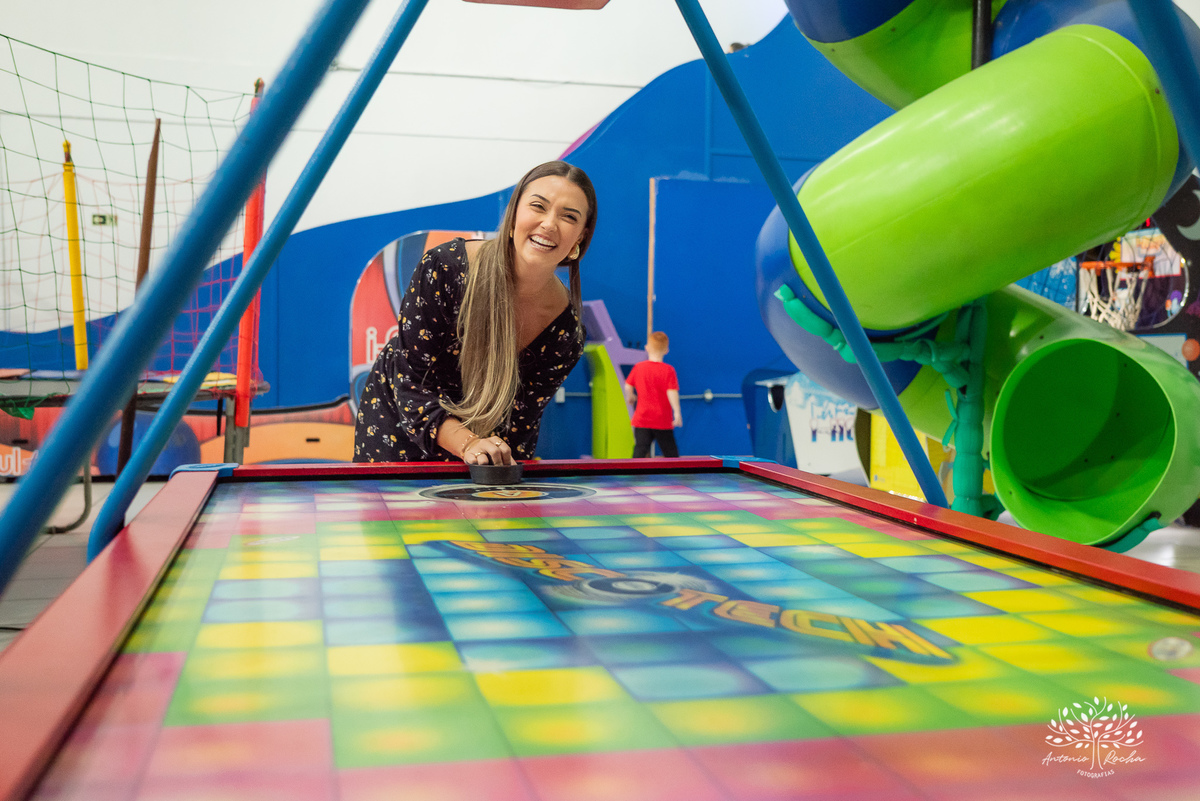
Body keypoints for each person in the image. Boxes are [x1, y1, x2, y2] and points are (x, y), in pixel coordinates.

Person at [353, 161, 597, 465]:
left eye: (568, 216)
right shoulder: (445, 269)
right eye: (538, 206)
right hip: (399, 431)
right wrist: (468, 443)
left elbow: (520, 423)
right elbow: (412, 382)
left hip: (481, 451)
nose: (549, 224)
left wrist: (494, 463)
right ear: (514, 213)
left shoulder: (566, 333)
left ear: (580, 237)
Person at [624, 331, 682, 457]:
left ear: (647, 348)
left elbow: (628, 385)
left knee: (640, 449)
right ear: (666, 350)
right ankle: (677, 475)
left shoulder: (639, 367)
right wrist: (677, 412)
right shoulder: (668, 370)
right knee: (671, 454)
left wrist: (631, 396)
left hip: (642, 419)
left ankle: (633, 475)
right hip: (662, 419)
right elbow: (672, 392)